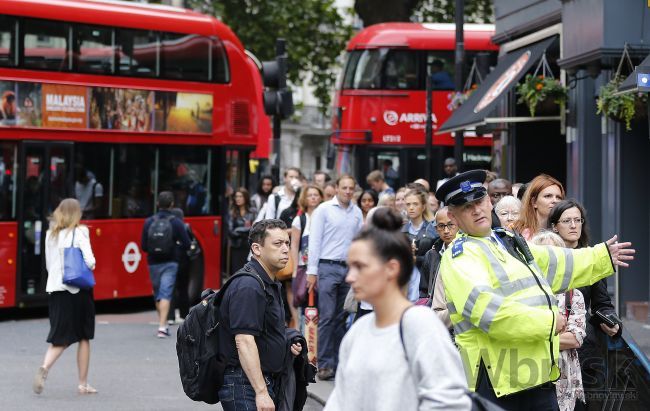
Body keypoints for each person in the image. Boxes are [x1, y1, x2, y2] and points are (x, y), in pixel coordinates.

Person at [435, 169, 634, 410]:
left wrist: (601, 257)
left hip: (534, 374)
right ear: (453, 217)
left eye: (479, 201)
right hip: (496, 381)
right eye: (466, 207)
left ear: (489, 202)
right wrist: (550, 322)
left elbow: (554, 263)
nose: (476, 210)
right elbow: (491, 314)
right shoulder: (460, 257)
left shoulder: (504, 239)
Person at [324, 208, 471, 411]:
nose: (349, 277)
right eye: (350, 267)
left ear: (391, 268)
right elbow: (340, 400)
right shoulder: (358, 331)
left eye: (360, 266)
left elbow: (450, 403)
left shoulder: (422, 326)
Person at [217, 219, 303, 411]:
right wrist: (261, 393)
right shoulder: (249, 286)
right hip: (245, 384)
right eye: (277, 244)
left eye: (287, 243)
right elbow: (244, 341)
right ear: (257, 249)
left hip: (257, 381)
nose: (285, 249)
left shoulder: (268, 282)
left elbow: (264, 331)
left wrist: (286, 342)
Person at [548, 199, 622, 410]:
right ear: (555, 226)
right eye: (567, 221)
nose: (573, 225)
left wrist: (612, 321)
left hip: (584, 348)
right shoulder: (545, 256)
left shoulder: (592, 258)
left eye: (577, 220)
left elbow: (602, 304)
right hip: (551, 348)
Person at [34, 198, 97, 395]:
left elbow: (48, 265)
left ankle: (45, 367)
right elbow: (90, 261)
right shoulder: (80, 232)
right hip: (77, 291)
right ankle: (82, 383)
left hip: (55, 289)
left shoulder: (50, 235)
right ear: (77, 213)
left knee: (59, 335)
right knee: (84, 336)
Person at [306, 175, 363, 381]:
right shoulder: (323, 209)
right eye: (344, 188)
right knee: (328, 317)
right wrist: (312, 271)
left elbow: (359, 241)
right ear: (337, 188)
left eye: (351, 188)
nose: (348, 191)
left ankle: (339, 363)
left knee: (341, 318)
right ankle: (325, 364)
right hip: (327, 266)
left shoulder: (357, 212)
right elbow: (315, 240)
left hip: (347, 268)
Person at [531, 230, 587, 411]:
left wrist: (536, 337)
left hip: (564, 378)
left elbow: (575, 339)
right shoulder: (523, 293)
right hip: (530, 373)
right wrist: (556, 334)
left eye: (553, 252)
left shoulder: (573, 293)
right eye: (542, 252)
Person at [141, 191, 191, 338]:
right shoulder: (176, 222)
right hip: (170, 262)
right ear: (172, 205)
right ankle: (162, 327)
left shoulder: (149, 222)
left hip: (152, 262)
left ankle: (163, 323)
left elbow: (144, 246)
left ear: (157, 204)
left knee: (158, 293)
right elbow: (187, 243)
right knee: (166, 292)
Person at [420, 206, 458, 329]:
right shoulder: (432, 254)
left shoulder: (467, 250)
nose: (446, 231)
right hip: (438, 314)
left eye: (450, 225)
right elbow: (424, 290)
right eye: (441, 226)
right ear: (436, 229)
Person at [290, 185, 324, 320]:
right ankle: (307, 334)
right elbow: (294, 245)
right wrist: (294, 269)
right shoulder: (300, 219)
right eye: (310, 195)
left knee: (322, 302)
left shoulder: (325, 216)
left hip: (323, 267)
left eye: (316, 194)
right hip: (304, 267)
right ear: (304, 198)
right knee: (305, 301)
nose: (313, 197)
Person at [402, 188, 436, 302]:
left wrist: (417, 259)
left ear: (423, 206)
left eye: (415, 204)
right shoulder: (400, 231)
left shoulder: (432, 230)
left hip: (424, 282)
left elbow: (435, 259)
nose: (411, 207)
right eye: (408, 204)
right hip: (404, 281)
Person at [512, 174, 565, 240]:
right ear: (534, 202)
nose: (555, 201)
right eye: (548, 196)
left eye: (558, 197)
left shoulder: (566, 232)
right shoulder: (516, 232)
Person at [228, 188, 255, 274]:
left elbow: (254, 228)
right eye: (236, 196)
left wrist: (238, 230)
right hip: (236, 246)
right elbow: (231, 231)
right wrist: (245, 230)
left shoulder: (252, 212)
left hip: (248, 246)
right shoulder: (232, 212)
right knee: (236, 271)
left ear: (245, 198)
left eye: (240, 196)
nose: (238, 199)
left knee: (248, 271)